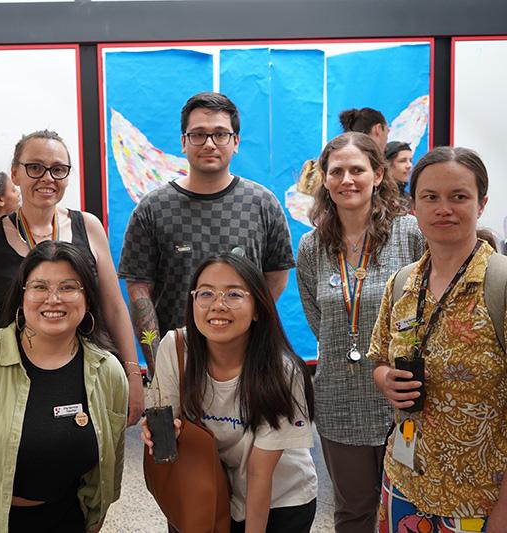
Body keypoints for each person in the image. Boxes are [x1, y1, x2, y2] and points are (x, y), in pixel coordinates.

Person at [0, 241, 128, 533]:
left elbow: (110, 462)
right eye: (40, 287)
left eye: (68, 287)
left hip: (68, 520)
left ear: (87, 298)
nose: (53, 299)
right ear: (22, 296)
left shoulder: (107, 371)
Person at [369, 146, 507, 532]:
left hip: (480, 498)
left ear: (481, 205)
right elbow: (379, 359)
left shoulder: (501, 286)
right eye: (430, 197)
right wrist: (386, 382)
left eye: (458, 197)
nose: (443, 208)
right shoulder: (401, 284)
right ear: (413, 206)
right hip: (403, 484)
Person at [0, 129, 143, 425]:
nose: (47, 177)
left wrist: (133, 375)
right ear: (15, 173)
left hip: (87, 373)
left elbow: (113, 307)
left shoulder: (88, 226)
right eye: (35, 167)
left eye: (58, 169)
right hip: (13, 379)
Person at [295, 132, 424, 533]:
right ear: (325, 180)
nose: (346, 179)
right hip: (339, 400)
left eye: (357, 170)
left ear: (378, 174)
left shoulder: (410, 234)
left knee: (410, 508)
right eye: (337, 171)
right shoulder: (311, 247)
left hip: (403, 397)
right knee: (353, 511)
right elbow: (321, 322)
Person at [119, 91, 295, 375]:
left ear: (236, 142)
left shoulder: (262, 203)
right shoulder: (152, 209)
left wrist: (241, 320)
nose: (209, 144)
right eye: (198, 134)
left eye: (220, 134)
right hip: (178, 364)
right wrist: (158, 365)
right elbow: (139, 292)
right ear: (183, 143)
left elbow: (276, 276)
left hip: (247, 362)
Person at [141, 253, 316, 533]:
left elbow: (260, 474)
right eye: (206, 293)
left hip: (278, 501)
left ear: (258, 307)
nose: (217, 305)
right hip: (206, 488)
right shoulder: (175, 349)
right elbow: (170, 427)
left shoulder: (282, 372)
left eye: (233, 294)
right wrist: (162, 433)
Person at [385, 141, 413, 210]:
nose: (409, 165)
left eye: (410, 160)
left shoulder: (410, 198)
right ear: (387, 164)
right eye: (403, 161)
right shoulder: (378, 198)